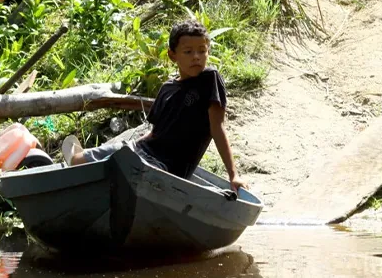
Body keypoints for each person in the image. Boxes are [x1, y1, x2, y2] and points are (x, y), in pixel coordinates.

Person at [67, 19, 248, 192]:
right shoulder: (167, 88)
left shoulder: (209, 79)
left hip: (164, 166)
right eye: (188, 52)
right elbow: (155, 132)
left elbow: (218, 128)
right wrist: (131, 145)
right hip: (140, 150)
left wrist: (234, 175)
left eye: (202, 51)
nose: (196, 57)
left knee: (120, 172)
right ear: (172, 55)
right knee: (77, 161)